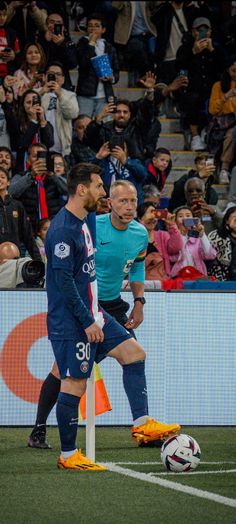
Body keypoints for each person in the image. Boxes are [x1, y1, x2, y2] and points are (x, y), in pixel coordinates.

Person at [28, 175, 180, 454]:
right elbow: (71, 272)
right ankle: (39, 428)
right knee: (63, 372)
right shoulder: (90, 226)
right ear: (110, 203)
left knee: (133, 355)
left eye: (133, 201)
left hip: (112, 307)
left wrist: (139, 301)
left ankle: (142, 426)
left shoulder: (138, 234)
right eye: (123, 200)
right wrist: (85, 315)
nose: (129, 206)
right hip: (84, 308)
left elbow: (136, 268)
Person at [85, 71, 159, 162]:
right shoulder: (105, 128)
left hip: (132, 168)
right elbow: (89, 138)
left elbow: (146, 113)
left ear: (130, 114)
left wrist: (150, 92)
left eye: (125, 112)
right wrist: (98, 119)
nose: (122, 115)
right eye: (118, 112)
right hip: (108, 168)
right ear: (113, 114)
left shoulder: (137, 127)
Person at [176, 16, 225, 151]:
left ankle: (207, 131)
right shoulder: (185, 48)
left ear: (210, 32)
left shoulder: (217, 48)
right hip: (192, 87)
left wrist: (213, 51)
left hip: (212, 87)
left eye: (205, 29)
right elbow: (180, 67)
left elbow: (225, 67)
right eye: (199, 30)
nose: (202, 32)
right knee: (193, 98)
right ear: (193, 32)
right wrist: (193, 53)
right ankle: (195, 135)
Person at [9, 143, 67, 233]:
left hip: (54, 226)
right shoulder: (20, 176)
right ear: (28, 160)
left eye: (42, 156)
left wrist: (53, 176)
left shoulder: (53, 177)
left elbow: (68, 191)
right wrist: (31, 176)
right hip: (29, 228)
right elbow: (10, 192)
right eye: (35, 156)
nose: (38, 160)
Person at [76, 13, 120, 117]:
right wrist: (91, 43)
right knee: (84, 125)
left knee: (104, 127)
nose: (93, 28)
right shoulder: (82, 43)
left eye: (96, 26)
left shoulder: (110, 47)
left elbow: (116, 70)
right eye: (90, 25)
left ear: (103, 29)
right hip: (85, 94)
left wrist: (112, 78)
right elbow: (83, 63)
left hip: (105, 95)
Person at [40, 62, 79, 160]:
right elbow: (27, 111)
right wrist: (42, 92)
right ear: (44, 77)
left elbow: (73, 114)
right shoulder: (36, 92)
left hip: (62, 149)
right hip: (39, 146)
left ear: (63, 79)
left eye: (58, 74)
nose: (55, 77)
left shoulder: (70, 95)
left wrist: (60, 95)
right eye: (51, 74)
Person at [0, 165, 41, 260]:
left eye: (2, 177)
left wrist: (38, 260)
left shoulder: (17, 205)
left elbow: (28, 235)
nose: (0, 179)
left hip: (15, 257)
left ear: (8, 182)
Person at [137, 200, 183, 280]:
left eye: (155, 213)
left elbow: (176, 248)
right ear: (140, 218)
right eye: (150, 212)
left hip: (162, 280)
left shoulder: (162, 235)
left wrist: (172, 225)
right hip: (140, 281)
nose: (153, 216)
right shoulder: (134, 236)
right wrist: (142, 225)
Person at [207, 55, 236, 184]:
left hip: (234, 122)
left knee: (233, 132)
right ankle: (224, 169)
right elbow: (213, 109)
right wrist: (226, 97)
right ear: (227, 70)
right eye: (233, 70)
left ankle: (225, 169)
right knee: (230, 133)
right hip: (220, 123)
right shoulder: (218, 86)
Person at [170, 205, 216, 277]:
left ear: (193, 219)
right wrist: (181, 235)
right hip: (178, 277)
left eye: (188, 216)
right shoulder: (170, 237)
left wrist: (202, 234)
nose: (184, 218)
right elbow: (172, 258)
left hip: (198, 277)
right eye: (180, 216)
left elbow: (210, 255)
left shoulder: (197, 239)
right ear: (175, 220)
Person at [208, 205, 236, 280]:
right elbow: (208, 255)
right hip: (221, 280)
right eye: (235, 217)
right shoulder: (216, 235)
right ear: (227, 220)